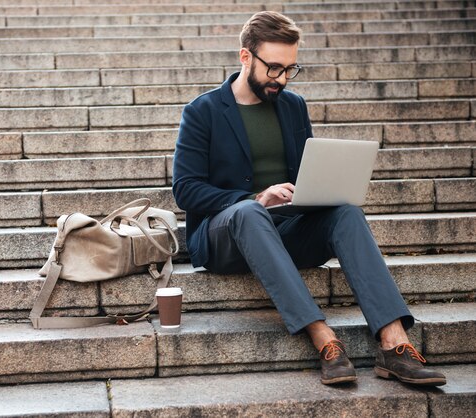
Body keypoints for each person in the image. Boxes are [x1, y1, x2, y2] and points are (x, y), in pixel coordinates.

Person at [172, 11, 446, 386]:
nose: (282, 79)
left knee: (346, 213)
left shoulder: (292, 105)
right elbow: (185, 189)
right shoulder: (202, 112)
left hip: (284, 231)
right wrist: (256, 196)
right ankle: (324, 338)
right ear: (245, 56)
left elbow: (308, 174)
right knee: (250, 212)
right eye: (274, 68)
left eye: (290, 69)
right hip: (226, 238)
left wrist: (320, 190)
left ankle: (394, 344)